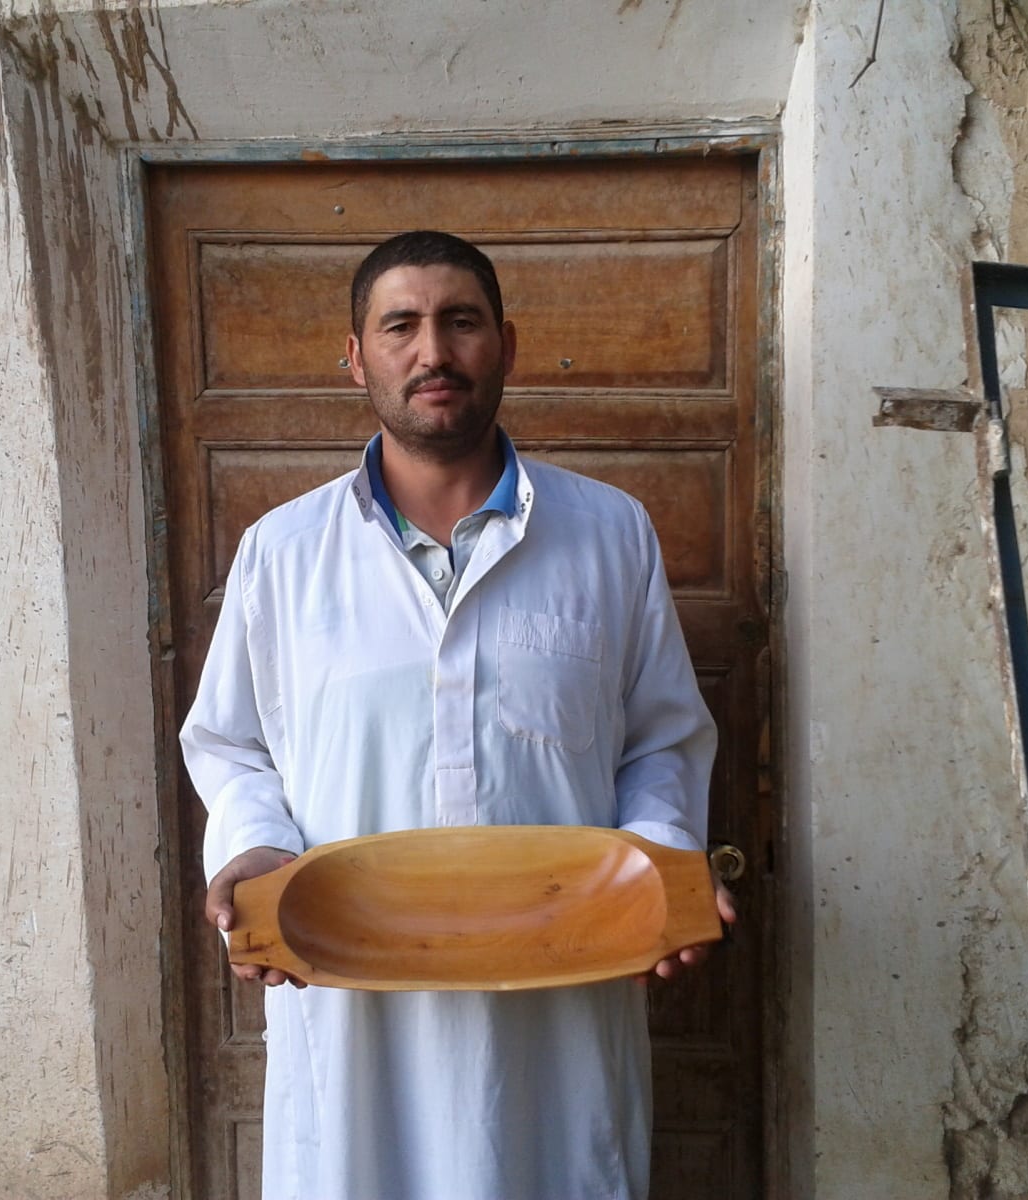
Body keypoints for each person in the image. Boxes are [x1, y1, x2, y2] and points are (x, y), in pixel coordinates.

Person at [180, 230, 732, 1200]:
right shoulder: (284, 552)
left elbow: (660, 739)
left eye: (460, 321)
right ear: (356, 358)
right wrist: (257, 847)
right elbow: (230, 743)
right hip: (347, 999)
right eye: (399, 325)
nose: (432, 351)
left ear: (505, 345)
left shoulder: (608, 533)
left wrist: (660, 874)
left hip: (562, 993)